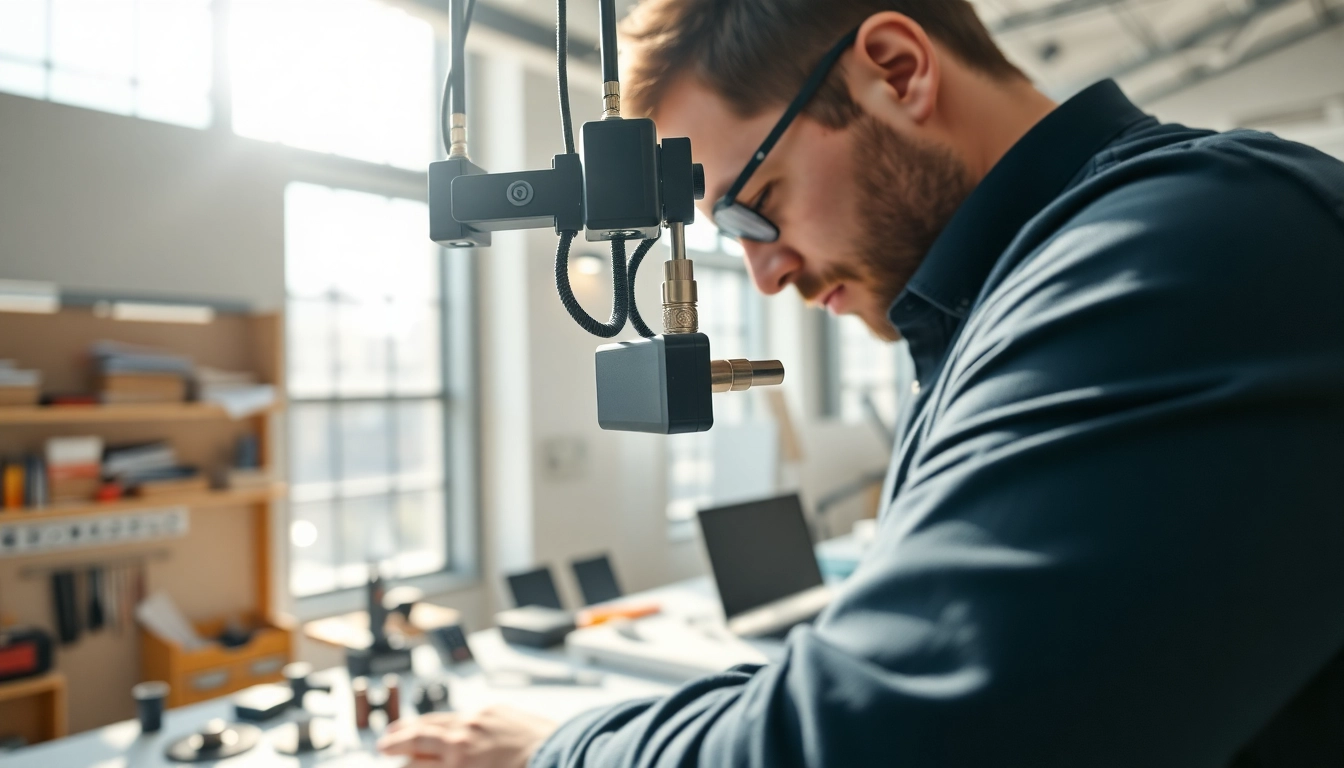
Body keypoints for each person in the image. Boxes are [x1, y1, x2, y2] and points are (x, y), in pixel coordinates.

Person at [380, 1, 1344, 765]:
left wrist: (563, 751)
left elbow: (884, 737)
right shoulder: (1009, 309)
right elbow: (883, 663)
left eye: (754, 208)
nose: (764, 274)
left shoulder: (1181, 249)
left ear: (896, 69)